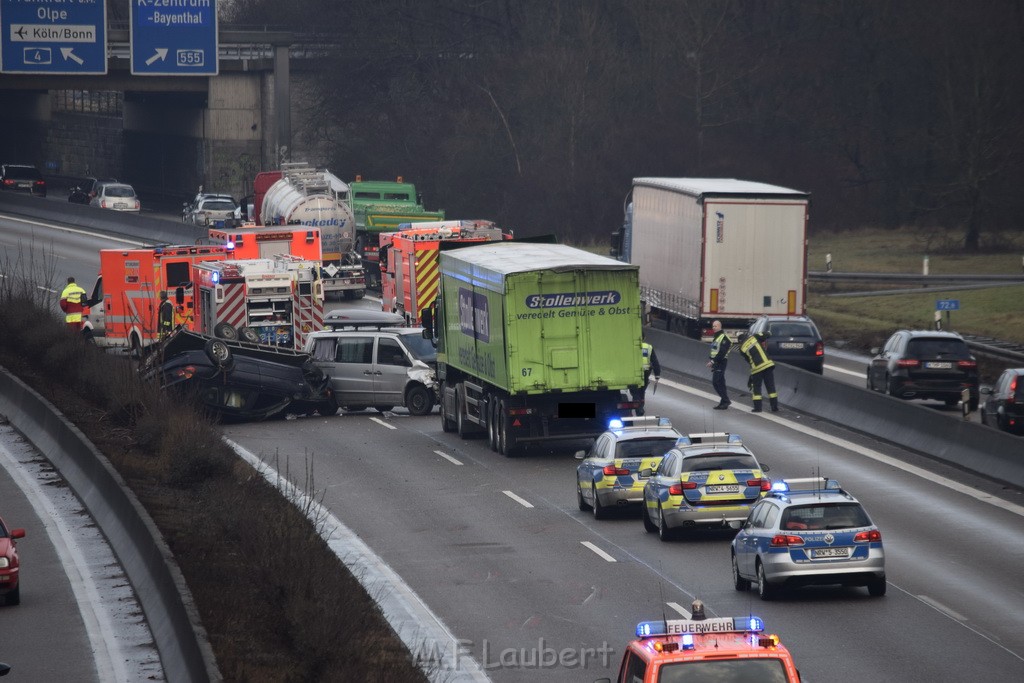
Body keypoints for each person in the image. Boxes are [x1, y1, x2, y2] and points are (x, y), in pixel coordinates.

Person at [737, 331, 779, 413]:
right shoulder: (755, 337)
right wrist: (768, 333)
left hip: (757, 368)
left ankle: (758, 408)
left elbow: (748, 360)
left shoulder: (741, 349)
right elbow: (767, 334)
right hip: (767, 364)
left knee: (756, 388)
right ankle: (774, 407)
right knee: (770, 386)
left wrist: (751, 375)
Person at [632, 337, 661, 413]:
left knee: (635, 391)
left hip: (633, 372)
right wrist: (657, 374)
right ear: (644, 337)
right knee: (642, 390)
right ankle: (640, 406)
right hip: (645, 372)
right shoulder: (648, 347)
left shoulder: (631, 345)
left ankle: (637, 406)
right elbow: (654, 361)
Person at [706, 320, 731, 409]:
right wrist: (711, 360)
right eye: (713, 326)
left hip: (721, 362)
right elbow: (714, 351)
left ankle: (726, 400)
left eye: (716, 326)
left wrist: (712, 361)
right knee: (721, 383)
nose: (714, 328)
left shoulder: (724, 338)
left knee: (716, 382)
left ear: (720, 326)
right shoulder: (716, 337)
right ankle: (723, 403)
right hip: (717, 363)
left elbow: (722, 353)